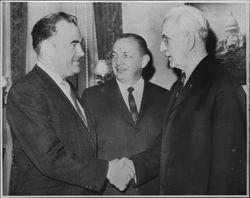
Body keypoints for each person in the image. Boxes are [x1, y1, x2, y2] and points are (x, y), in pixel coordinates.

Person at [6, 12, 135, 195]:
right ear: (49, 48)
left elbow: (83, 145)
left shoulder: (67, 88)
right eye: (74, 44)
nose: (81, 53)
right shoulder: (26, 91)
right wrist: (108, 170)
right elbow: (50, 158)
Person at [131, 5, 246, 195]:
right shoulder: (178, 86)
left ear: (189, 40)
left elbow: (228, 175)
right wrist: (132, 166)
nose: (161, 48)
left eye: (166, 39)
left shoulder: (223, 87)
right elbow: (167, 144)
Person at [81, 33, 169, 195]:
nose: (118, 62)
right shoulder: (92, 97)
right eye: (114, 55)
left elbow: (167, 148)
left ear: (144, 61)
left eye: (126, 55)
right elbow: (85, 150)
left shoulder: (166, 98)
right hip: (108, 192)